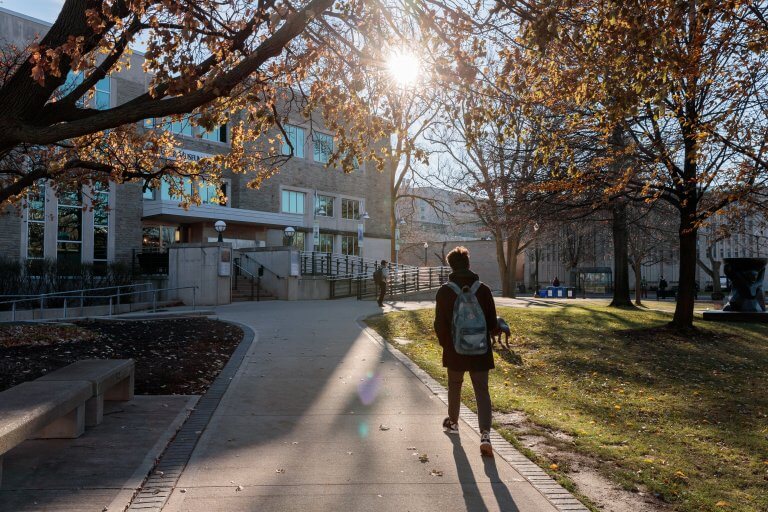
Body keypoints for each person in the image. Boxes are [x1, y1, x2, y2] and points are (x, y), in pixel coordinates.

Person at [433, 246, 499, 457]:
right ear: (468, 264)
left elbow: (439, 324)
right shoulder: (484, 290)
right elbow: (492, 323)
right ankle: (486, 435)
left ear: (450, 265)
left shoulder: (444, 291)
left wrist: (447, 345)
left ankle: (452, 422)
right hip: (480, 349)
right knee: (481, 390)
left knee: (455, 385)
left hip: (455, 349)